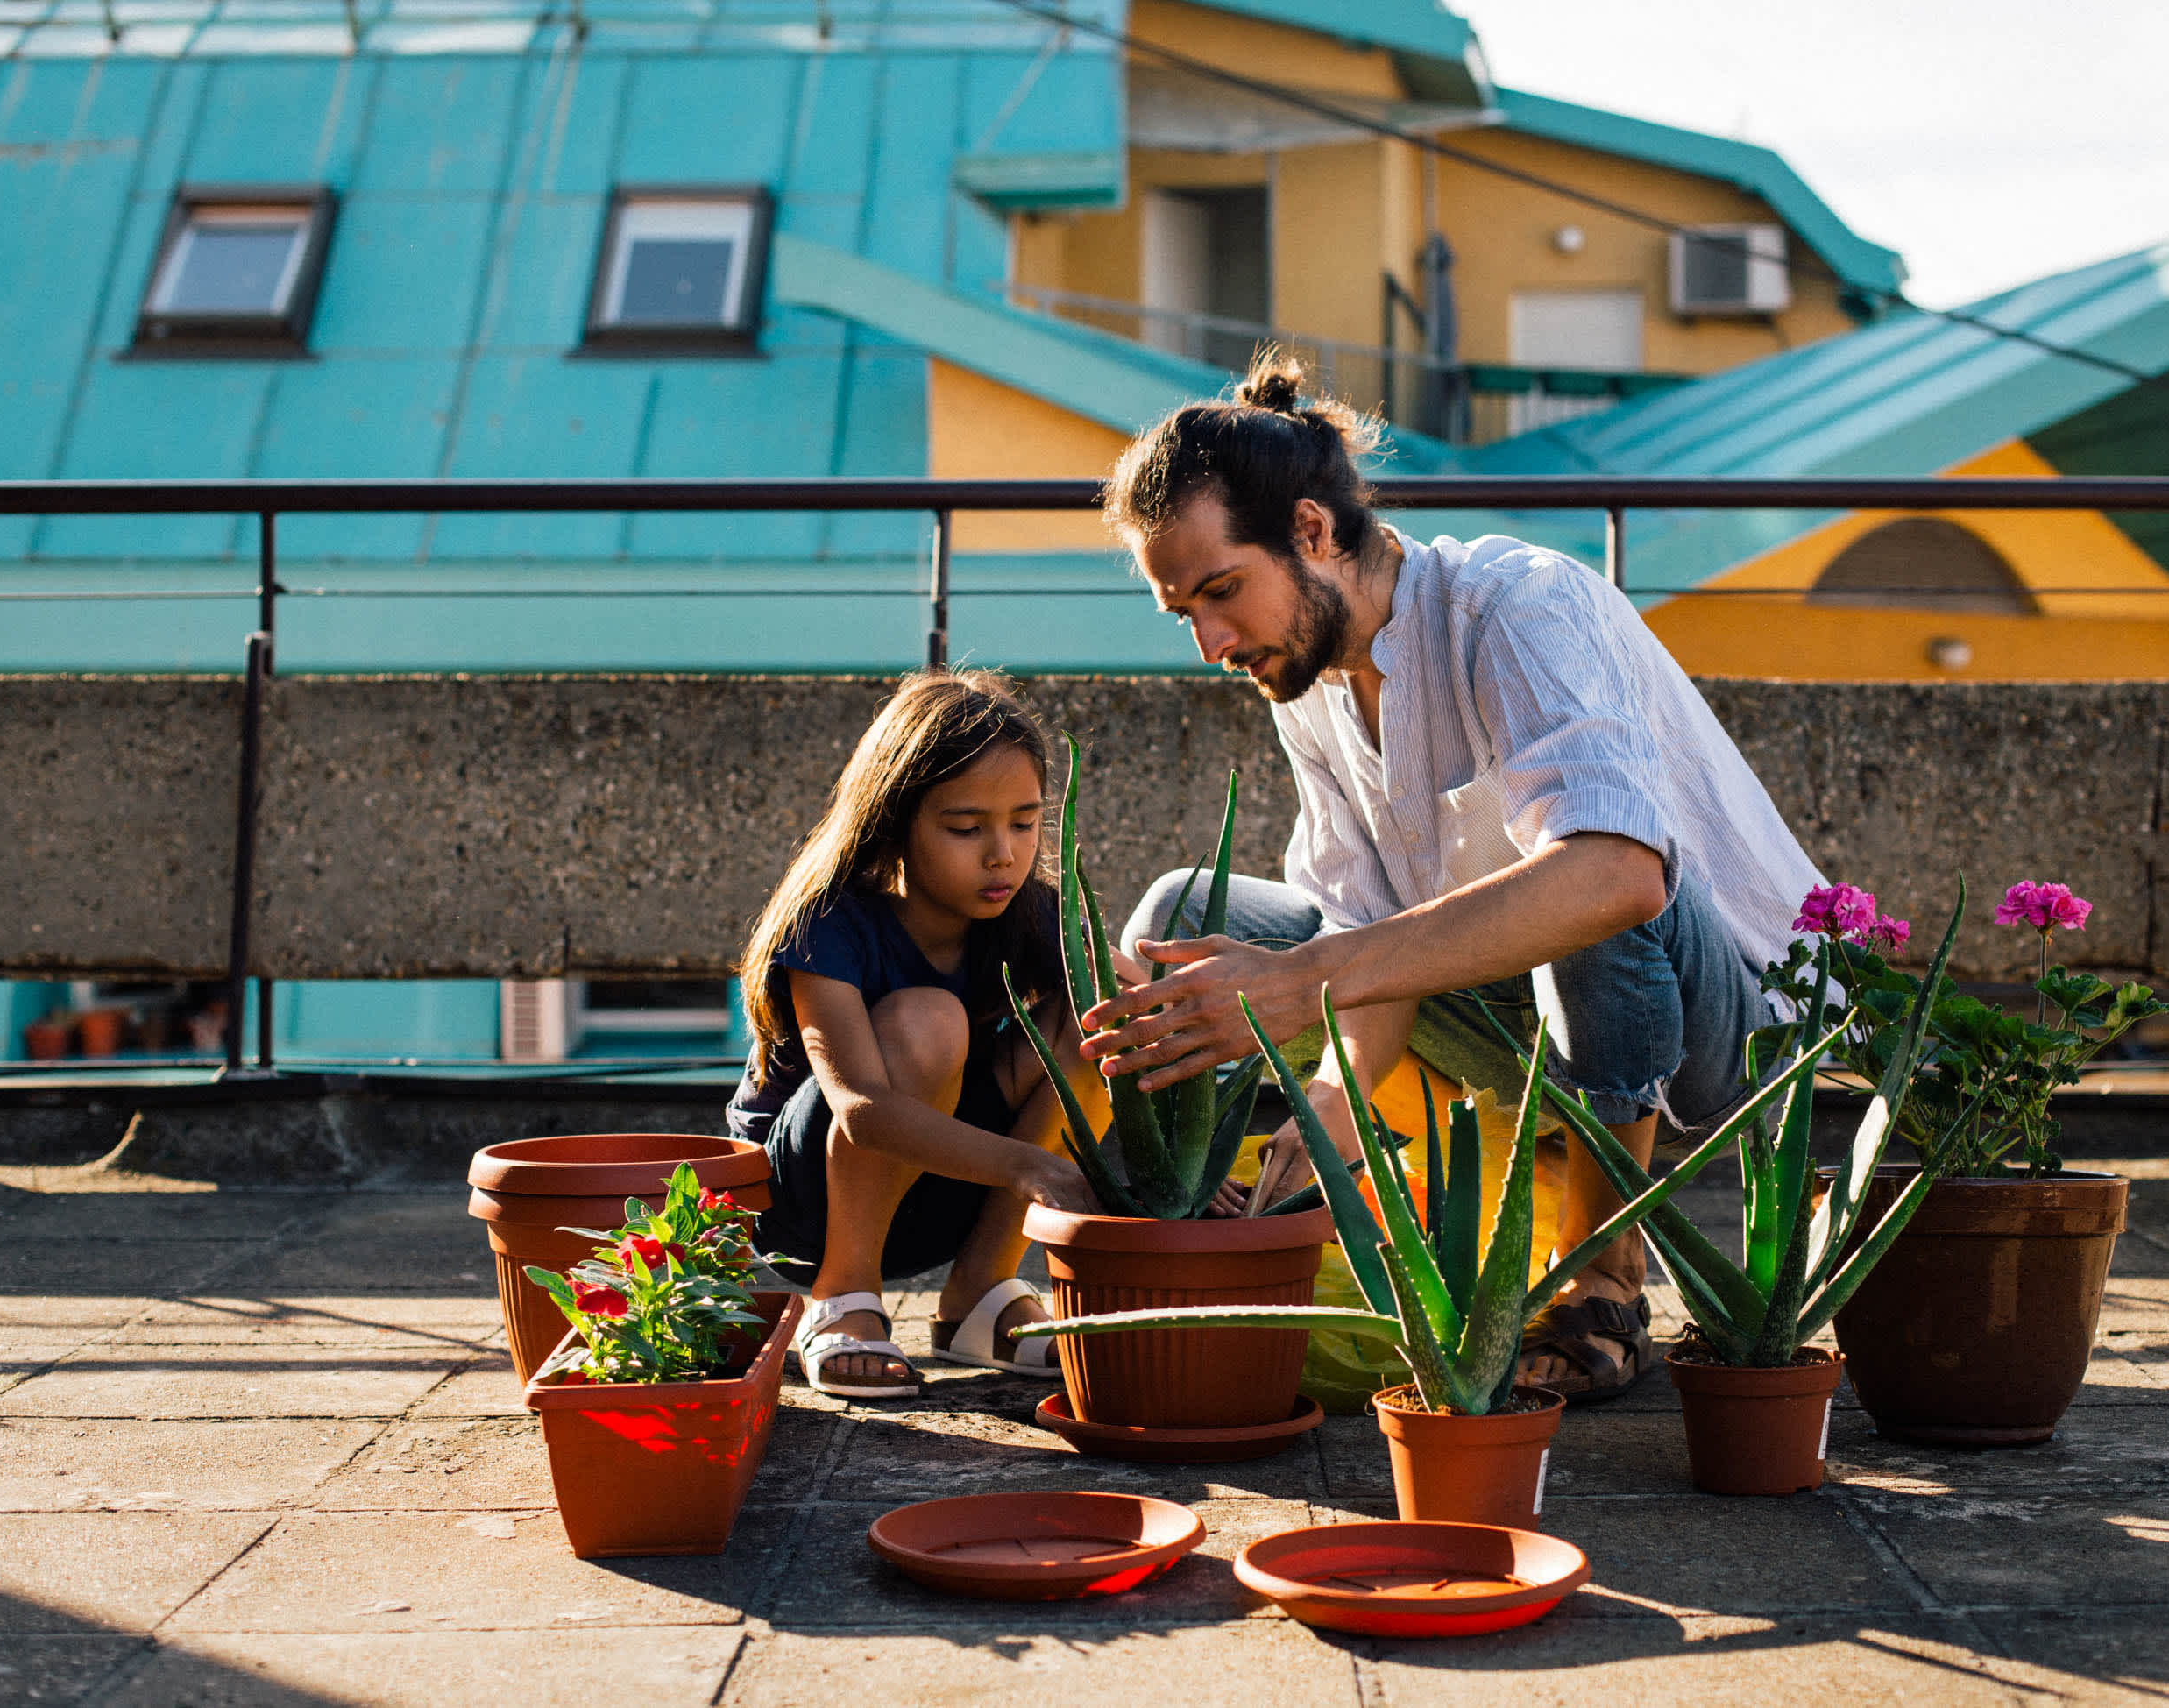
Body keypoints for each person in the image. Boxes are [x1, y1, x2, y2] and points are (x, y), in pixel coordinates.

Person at [1079, 358, 1825, 1402]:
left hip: (1722, 1032)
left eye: (1219, 592)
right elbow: (1367, 933)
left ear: (1308, 532)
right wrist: (1330, 1110)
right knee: (1184, 918)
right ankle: (1208, 1232)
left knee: (1589, 871)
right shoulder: (1308, 683)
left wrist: (1304, 981)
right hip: (1511, 1026)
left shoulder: (1516, 606)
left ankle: (1604, 1277)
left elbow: (1616, 877)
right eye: (1181, 614)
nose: (1209, 641)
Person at [728, 670, 1105, 1400]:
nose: (1002, 853)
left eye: (1025, 822)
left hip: (944, 1188)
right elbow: (862, 1107)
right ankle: (844, 1297)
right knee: (928, 1020)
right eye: (967, 827)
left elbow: (1137, 1011)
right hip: (806, 1205)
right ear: (895, 822)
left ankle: (979, 1291)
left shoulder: (1031, 913)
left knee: (1095, 1019)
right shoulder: (831, 922)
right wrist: (1031, 1166)